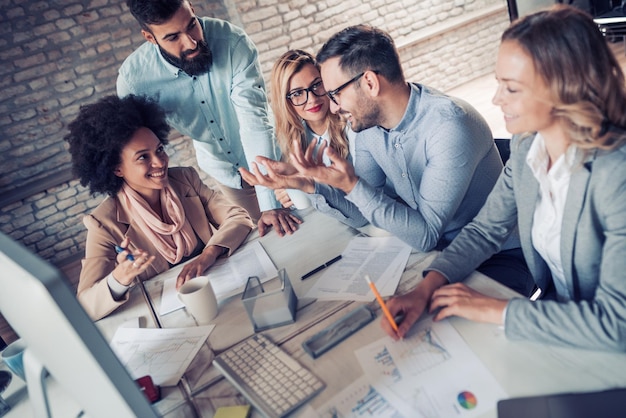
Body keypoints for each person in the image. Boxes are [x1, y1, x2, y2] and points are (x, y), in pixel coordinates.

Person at [383, 5, 626, 352]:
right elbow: (485, 230)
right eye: (498, 84)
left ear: (564, 87)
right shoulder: (529, 146)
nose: (496, 99)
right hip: (563, 327)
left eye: (511, 88)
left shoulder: (617, 175)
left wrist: (496, 309)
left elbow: (618, 325)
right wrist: (427, 288)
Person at [243, 25, 532, 294]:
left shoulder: (449, 125)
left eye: (334, 93)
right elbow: (360, 212)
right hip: (434, 254)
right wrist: (312, 185)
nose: (331, 105)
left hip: (499, 256)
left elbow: (426, 234)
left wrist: (352, 185)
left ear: (369, 83)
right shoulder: (366, 127)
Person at [117, 0, 301, 237]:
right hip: (224, 171)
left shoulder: (233, 43)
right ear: (150, 37)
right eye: (173, 37)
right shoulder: (134, 82)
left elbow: (253, 120)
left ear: (192, 8)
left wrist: (269, 201)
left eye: (192, 25)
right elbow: (137, 148)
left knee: (310, 218)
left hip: (274, 156)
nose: (191, 42)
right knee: (266, 236)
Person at [65, 95, 254, 320]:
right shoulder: (104, 224)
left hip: (217, 292)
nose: (160, 162)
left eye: (160, 149)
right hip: (169, 318)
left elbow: (238, 217)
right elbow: (85, 307)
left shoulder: (185, 179)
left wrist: (208, 254)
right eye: (143, 157)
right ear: (117, 169)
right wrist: (120, 277)